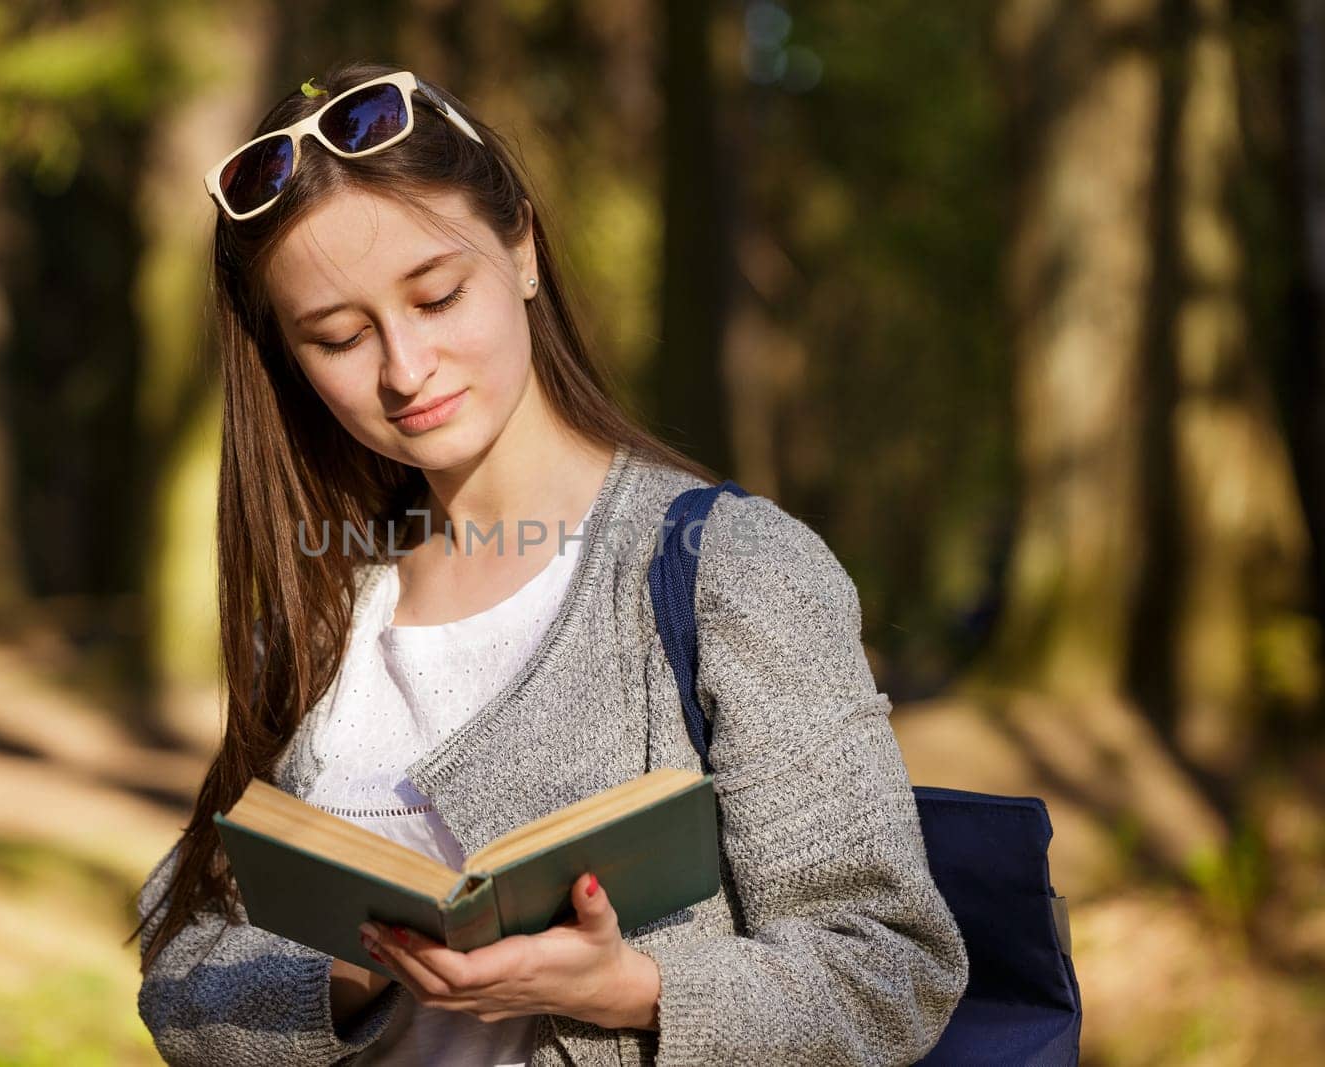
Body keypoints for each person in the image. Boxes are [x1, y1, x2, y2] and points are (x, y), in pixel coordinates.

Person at [130, 59, 968, 1066]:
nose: (404, 369)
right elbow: (180, 971)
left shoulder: (732, 569)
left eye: (436, 297)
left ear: (521, 247)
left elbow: (891, 971)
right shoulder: (321, 603)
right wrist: (356, 965)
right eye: (339, 336)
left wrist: (640, 990)